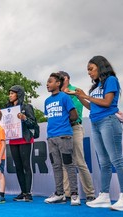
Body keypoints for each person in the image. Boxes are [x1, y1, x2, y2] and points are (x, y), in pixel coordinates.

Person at [75, 56, 123, 211]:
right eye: (88, 70)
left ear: (100, 67)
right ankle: (104, 196)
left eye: (91, 69)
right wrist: (79, 96)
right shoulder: (96, 86)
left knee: (116, 159)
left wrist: (86, 95)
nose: (89, 73)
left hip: (109, 121)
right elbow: (92, 107)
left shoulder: (111, 80)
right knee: (104, 161)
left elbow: (107, 103)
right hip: (95, 122)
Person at [43, 72, 80, 206]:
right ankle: (59, 194)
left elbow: (74, 115)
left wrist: (64, 123)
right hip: (51, 137)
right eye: (47, 82)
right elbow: (50, 117)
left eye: (50, 81)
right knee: (56, 166)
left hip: (64, 136)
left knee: (69, 165)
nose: (47, 84)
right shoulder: (47, 101)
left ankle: (74, 194)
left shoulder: (65, 97)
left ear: (58, 83)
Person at [59, 71, 95, 202]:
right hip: (63, 130)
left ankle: (90, 193)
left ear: (67, 78)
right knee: (65, 162)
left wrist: (67, 95)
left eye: (61, 78)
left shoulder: (75, 91)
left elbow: (76, 110)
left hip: (75, 127)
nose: (60, 81)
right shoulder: (57, 94)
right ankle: (67, 193)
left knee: (80, 161)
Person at [6, 85, 36, 202]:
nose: (10, 95)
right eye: (10, 93)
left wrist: (24, 118)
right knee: (18, 166)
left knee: (26, 165)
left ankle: (28, 193)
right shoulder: (7, 108)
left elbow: (33, 123)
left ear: (18, 94)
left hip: (24, 138)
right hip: (13, 140)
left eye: (12, 93)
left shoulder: (27, 107)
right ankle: (22, 192)